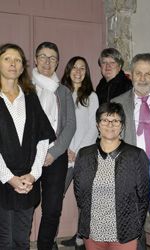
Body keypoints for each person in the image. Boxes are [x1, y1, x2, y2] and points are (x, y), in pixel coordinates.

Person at [0, 43, 55, 250]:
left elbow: (42, 138)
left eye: (17, 60)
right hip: (2, 181)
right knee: (4, 242)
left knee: (22, 241)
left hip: (27, 181)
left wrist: (33, 174)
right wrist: (9, 178)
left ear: (23, 67)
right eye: (7, 58)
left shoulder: (30, 97)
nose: (13, 63)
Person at [73, 102, 150, 250]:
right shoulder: (84, 154)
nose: (110, 125)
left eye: (115, 121)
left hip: (124, 235)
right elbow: (79, 193)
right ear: (97, 125)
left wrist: (135, 226)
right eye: (105, 120)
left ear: (122, 125)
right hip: (93, 233)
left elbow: (143, 197)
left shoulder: (135, 155)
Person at [112, 53, 150, 250]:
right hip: (131, 174)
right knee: (134, 232)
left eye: (148, 74)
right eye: (138, 73)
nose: (143, 79)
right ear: (131, 75)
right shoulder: (117, 103)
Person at [32, 41, 76, 250]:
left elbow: (70, 125)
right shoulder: (24, 87)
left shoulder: (64, 92)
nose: (47, 62)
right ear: (35, 59)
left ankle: (45, 246)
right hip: (26, 156)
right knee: (25, 206)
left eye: (52, 58)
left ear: (58, 63)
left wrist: (54, 152)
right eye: (43, 56)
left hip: (55, 156)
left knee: (52, 208)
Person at [60, 56, 99, 249]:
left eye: (82, 68)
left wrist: (78, 151)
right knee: (55, 197)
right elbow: (54, 125)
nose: (78, 71)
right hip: (62, 156)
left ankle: (81, 239)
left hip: (84, 157)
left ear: (86, 72)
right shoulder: (59, 93)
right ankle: (50, 236)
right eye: (74, 67)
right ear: (68, 70)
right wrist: (64, 149)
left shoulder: (92, 96)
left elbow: (94, 127)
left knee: (86, 201)